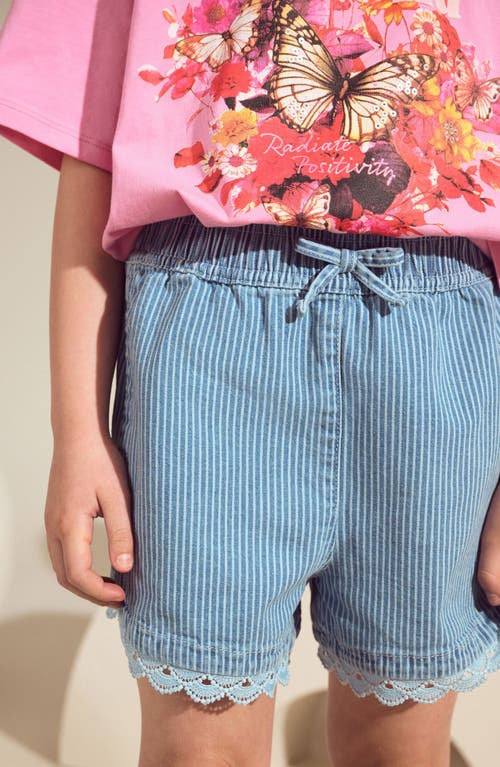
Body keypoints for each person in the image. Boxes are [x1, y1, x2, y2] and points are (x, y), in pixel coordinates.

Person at [0, 0, 499, 765]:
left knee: (400, 749)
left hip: (433, 352)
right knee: (199, 748)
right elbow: (89, 142)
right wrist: (77, 429)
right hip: (208, 347)